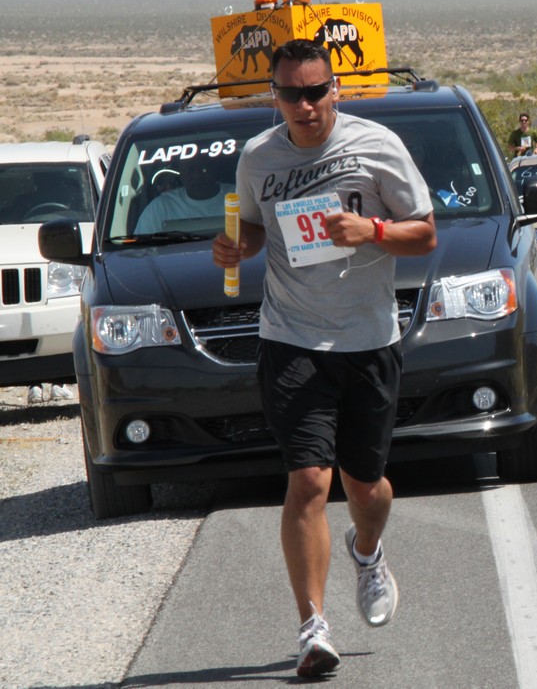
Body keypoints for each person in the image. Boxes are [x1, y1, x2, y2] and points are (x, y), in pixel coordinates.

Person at [211, 39, 436, 679]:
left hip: (368, 339)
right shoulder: (259, 157)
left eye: (315, 92)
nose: (304, 105)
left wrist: (374, 231)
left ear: (335, 90)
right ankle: (313, 628)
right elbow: (256, 227)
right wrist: (237, 248)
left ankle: (367, 550)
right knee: (310, 480)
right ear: (275, 95)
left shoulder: (377, 146)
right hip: (291, 336)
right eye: (291, 94)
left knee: (366, 487)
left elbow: (425, 233)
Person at [135, 157, 234, 233]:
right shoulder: (161, 207)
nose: (197, 175)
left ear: (216, 170)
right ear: (181, 173)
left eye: (204, 169)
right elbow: (141, 249)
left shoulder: (238, 196)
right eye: (190, 170)